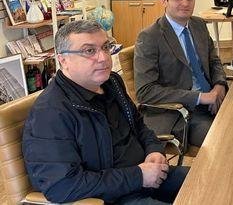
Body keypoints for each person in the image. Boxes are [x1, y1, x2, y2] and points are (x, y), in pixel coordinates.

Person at [22, 20, 188, 204]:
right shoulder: (50, 113)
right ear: (63, 60)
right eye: (89, 51)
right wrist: (138, 176)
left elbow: (139, 126)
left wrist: (154, 151)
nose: (103, 58)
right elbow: (62, 186)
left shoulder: (111, 82)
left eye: (105, 47)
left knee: (208, 182)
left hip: (146, 175)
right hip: (111, 197)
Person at [134, 0, 227, 147]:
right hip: (181, 113)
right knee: (224, 139)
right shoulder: (149, 37)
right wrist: (200, 97)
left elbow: (213, 60)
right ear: (164, 1)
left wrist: (219, 85)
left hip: (213, 99)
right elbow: (145, 91)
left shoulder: (198, 24)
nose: (185, 3)